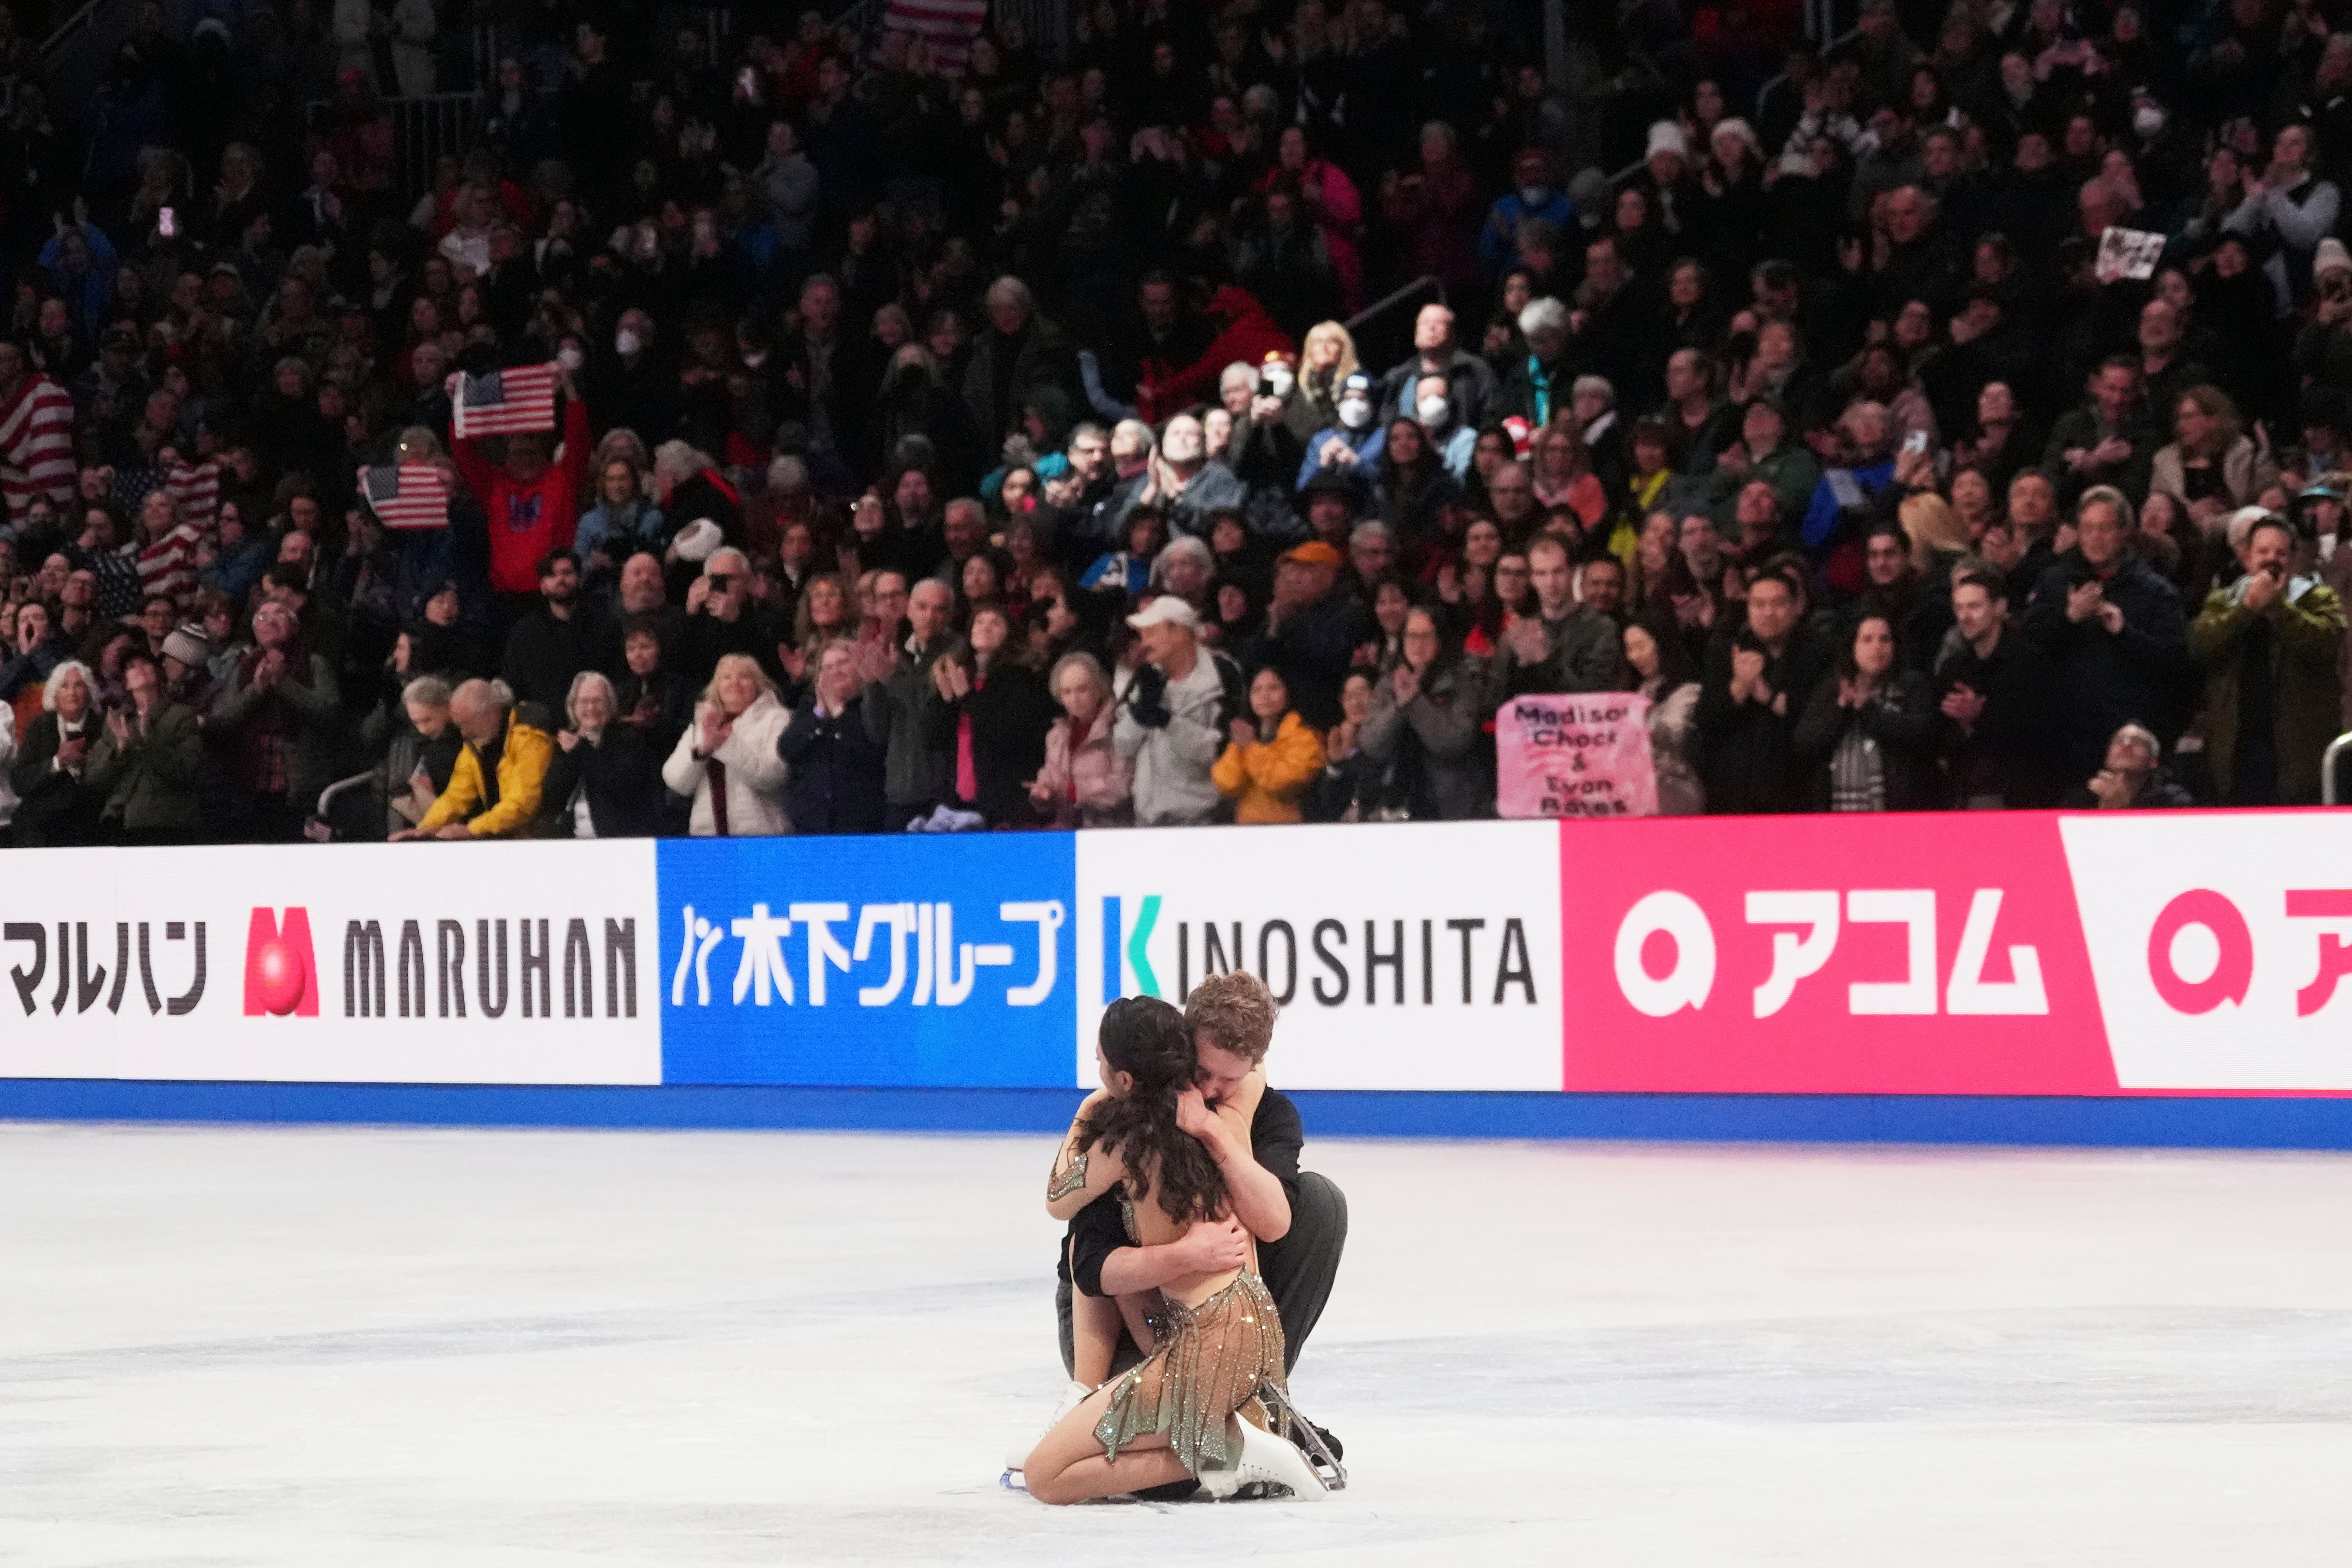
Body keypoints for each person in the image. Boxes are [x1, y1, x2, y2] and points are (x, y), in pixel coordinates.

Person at [1022, 995, 1327, 1505]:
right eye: (1204, 1072)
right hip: (1250, 1331)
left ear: (1123, 1078)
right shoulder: (1228, 1119)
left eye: (1101, 1062)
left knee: (1043, 1476)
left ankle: (1233, 1447)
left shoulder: (1121, 1143)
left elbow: (1058, 1197)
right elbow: (1254, 1079)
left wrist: (1086, 1111)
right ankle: (1236, 1439)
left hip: (1200, 1343)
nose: (1213, 1086)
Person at [2024, 487, 2190, 785]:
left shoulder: (2155, 591)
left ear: (2124, 532)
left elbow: (2175, 664)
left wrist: (2124, 633)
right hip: (2064, 738)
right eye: (2088, 529)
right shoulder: (2055, 580)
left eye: (2105, 528)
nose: (2095, 538)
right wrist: (2069, 618)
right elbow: (2027, 647)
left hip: (2127, 737)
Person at [2187, 512, 2347, 804]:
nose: (2271, 559)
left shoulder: (2319, 599)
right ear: (2247, 557)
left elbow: (2325, 644)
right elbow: (2201, 646)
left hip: (2297, 753)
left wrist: (2276, 606)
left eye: (2281, 553)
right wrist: (2246, 609)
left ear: (2293, 559)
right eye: (2263, 552)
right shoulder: (2223, 600)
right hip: (2235, 752)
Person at [1696, 567, 1828, 814]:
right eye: (1759, 604)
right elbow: (1705, 721)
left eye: (1778, 604)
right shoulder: (1727, 650)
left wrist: (1766, 694)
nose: (1768, 612)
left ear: (1797, 607)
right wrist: (1739, 687)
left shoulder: (1818, 652)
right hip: (1735, 795)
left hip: (1800, 792)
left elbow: (1819, 721)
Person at [208, 601, 340, 843]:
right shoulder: (244, 667)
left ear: (294, 626)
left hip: (299, 784)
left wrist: (284, 683)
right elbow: (221, 719)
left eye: (279, 614)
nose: (269, 621)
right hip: (250, 783)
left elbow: (329, 714)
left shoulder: (314, 663)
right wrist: (256, 689)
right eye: (262, 617)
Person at [1933, 562, 2056, 809]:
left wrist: (1980, 716)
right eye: (1959, 608)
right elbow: (1940, 735)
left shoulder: (2029, 662)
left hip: (2021, 798)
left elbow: (2041, 735)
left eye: (1974, 607)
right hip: (1963, 796)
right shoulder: (1954, 668)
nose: (1964, 617)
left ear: (1999, 608)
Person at [1114, 597, 1241, 828]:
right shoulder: (1147, 678)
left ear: (1180, 633)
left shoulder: (1223, 677)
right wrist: (1139, 716)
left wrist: (1168, 722)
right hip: (1146, 821)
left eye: (1151, 633)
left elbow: (1220, 754)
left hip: (1204, 822)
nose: (1144, 643)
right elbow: (1123, 747)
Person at [1794, 613, 1940, 811]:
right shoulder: (1833, 689)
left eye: (1885, 640)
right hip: (1837, 811)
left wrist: (1866, 709)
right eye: (1867, 640)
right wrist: (1841, 708)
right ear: (1852, 648)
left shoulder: (1912, 685)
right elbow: (1806, 742)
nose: (1877, 647)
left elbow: (1921, 735)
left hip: (1900, 809)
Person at [1359, 607, 1492, 819]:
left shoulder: (1463, 681)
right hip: (1393, 801)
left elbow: (1454, 742)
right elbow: (1371, 744)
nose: (1418, 644)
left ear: (1439, 640)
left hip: (1449, 802)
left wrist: (1415, 702)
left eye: (1426, 636)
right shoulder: (1389, 681)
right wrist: (1400, 706)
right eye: (1411, 636)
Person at [397, 679, 555, 841]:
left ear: (490, 714)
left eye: (466, 724)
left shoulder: (528, 736)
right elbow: (456, 796)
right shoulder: (477, 742)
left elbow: (523, 803)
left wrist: (473, 830)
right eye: (459, 725)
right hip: (505, 834)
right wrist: (426, 829)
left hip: (540, 838)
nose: (464, 732)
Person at [861, 576, 957, 827]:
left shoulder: (957, 652)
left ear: (950, 616)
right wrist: (872, 684)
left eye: (939, 609)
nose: (930, 616)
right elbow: (877, 731)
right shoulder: (898, 653)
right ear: (910, 610)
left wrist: (891, 680)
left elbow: (931, 718)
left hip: (940, 792)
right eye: (922, 607)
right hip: (899, 790)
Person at [661, 653, 792, 837]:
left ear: (758, 684)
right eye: (726, 678)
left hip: (761, 838)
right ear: (717, 687)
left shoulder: (777, 719)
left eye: (744, 677)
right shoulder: (705, 721)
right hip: (708, 840)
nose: (735, 683)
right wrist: (701, 752)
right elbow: (676, 782)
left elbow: (773, 777)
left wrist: (725, 744)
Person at [85, 653, 203, 844]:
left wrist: (148, 741)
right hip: (117, 820)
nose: (139, 668)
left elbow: (187, 771)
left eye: (146, 664)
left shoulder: (181, 715)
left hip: (163, 821)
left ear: (158, 675)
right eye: (132, 667)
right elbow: (93, 779)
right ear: (126, 684)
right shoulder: (117, 720)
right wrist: (120, 750)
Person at [1495, 533, 1632, 697]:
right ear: (1532, 579)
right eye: (1541, 573)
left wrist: (1544, 660)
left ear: (1573, 572)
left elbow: (1595, 696)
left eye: (1558, 572)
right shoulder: (1524, 631)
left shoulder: (1602, 628)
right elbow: (1496, 698)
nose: (1551, 583)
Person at [779, 639, 890, 835]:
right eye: (828, 668)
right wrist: (820, 712)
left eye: (843, 663)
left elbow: (872, 752)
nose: (836, 671)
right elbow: (786, 750)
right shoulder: (810, 705)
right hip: (812, 824)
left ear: (859, 667)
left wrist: (838, 711)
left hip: (860, 825)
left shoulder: (873, 703)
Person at [539, 670, 659, 837]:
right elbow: (550, 800)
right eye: (584, 701)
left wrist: (581, 750)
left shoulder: (629, 739)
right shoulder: (568, 742)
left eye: (598, 701)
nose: (591, 708)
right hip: (572, 841)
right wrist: (572, 756)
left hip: (619, 841)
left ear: (610, 705)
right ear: (573, 708)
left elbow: (621, 789)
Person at [1027, 651, 1132, 828]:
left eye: (1082, 690)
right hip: (1068, 832)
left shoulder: (1119, 728)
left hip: (1112, 833)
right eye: (1067, 692)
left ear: (1100, 689)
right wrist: (1044, 792)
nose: (1074, 699)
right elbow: (1051, 777)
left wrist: (1073, 791)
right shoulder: (1057, 735)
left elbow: (1124, 785)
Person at [8, 660, 105, 846]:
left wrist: (89, 764)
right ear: (55, 693)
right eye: (65, 686)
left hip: (90, 825)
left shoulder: (102, 726)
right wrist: (57, 763)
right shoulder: (40, 726)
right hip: (42, 826)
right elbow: (19, 781)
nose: (72, 693)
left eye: (79, 685)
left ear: (89, 692)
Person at [1212, 666, 1324, 825]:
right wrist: (1240, 748)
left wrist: (1250, 749)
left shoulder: (1306, 737)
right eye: (1257, 690)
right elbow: (1228, 783)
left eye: (1274, 688)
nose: (1265, 695)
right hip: (1247, 829)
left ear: (1288, 694)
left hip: (1291, 830)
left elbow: (1283, 782)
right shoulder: (1248, 735)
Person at [500, 549, 607, 711]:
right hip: (540, 724)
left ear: (580, 579)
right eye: (551, 575)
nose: (560, 580)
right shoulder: (524, 633)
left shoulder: (605, 626)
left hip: (595, 718)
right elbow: (512, 684)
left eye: (567, 573)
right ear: (542, 586)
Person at [1623, 612, 1704, 814]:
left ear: (1661, 644)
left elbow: (1675, 734)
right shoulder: (1639, 689)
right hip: (1639, 797)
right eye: (1629, 649)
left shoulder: (1690, 690)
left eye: (1640, 646)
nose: (1634, 656)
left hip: (1677, 795)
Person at [2060, 722, 2195, 808]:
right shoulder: (2080, 800)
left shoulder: (2174, 801)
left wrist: (2120, 809)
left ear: (2153, 762)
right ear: (2107, 757)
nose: (2126, 745)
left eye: (2138, 742)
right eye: (2118, 741)